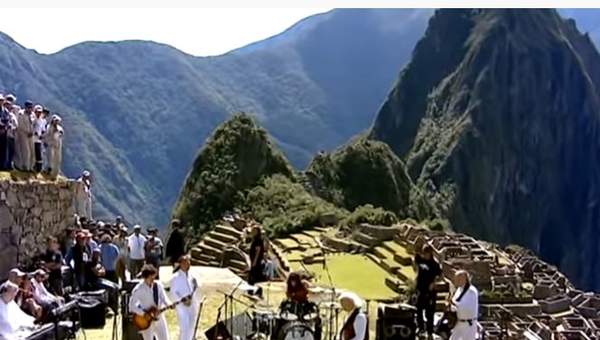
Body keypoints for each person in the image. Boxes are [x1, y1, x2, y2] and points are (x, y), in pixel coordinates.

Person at [129, 264, 171, 340]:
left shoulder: (158, 285)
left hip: (159, 317)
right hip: (146, 320)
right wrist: (144, 314)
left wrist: (169, 304)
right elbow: (132, 306)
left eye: (153, 276)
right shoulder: (138, 289)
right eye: (150, 277)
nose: (153, 279)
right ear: (145, 277)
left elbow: (164, 298)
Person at [170, 255, 201, 340]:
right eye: (186, 262)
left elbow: (195, 289)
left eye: (189, 262)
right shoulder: (175, 277)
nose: (188, 264)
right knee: (185, 327)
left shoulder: (191, 276)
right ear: (181, 264)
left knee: (191, 325)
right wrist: (182, 300)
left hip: (192, 305)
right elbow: (173, 292)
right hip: (182, 306)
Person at [414, 244, 441, 339]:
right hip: (420, 289)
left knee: (429, 313)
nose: (425, 255)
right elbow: (415, 251)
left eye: (427, 253)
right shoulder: (420, 260)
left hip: (430, 292)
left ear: (431, 253)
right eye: (424, 253)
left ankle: (430, 332)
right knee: (418, 310)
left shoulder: (435, 264)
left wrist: (433, 283)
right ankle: (420, 328)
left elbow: (439, 276)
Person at [450, 270, 479, 340]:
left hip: (468, 325)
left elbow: (467, 308)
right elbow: (454, 306)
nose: (455, 281)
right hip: (459, 323)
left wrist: (453, 303)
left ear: (463, 279)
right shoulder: (459, 290)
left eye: (457, 279)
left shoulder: (471, 291)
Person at [15, 100, 34, 172]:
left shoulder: (32, 115)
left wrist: (32, 132)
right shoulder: (21, 114)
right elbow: (20, 125)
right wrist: (27, 132)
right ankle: (24, 166)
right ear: (25, 107)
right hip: (23, 134)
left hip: (31, 135)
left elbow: (33, 124)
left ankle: (30, 166)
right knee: (25, 151)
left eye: (31, 107)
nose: (30, 109)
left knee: (32, 151)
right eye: (28, 107)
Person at [32, 105, 46, 173]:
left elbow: (43, 129)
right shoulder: (33, 119)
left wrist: (42, 135)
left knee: (38, 153)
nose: (39, 113)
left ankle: (39, 168)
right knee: (33, 153)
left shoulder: (42, 120)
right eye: (37, 112)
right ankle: (32, 166)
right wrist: (34, 132)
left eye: (40, 112)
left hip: (39, 140)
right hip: (32, 139)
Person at [4, 104, 18, 170]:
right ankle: (5, 165)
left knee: (11, 151)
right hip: (5, 135)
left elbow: (16, 125)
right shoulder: (4, 114)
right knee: (6, 151)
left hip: (12, 135)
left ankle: (9, 164)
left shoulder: (13, 116)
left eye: (9, 106)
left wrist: (13, 127)